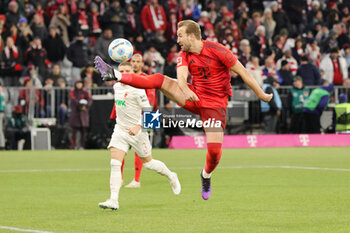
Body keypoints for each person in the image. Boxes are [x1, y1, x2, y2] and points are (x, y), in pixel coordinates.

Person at [94, 20, 272, 200]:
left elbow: (244, 73)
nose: (177, 39)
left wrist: (261, 95)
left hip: (215, 106)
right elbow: (181, 76)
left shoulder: (218, 50)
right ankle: (114, 74)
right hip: (193, 96)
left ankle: (206, 175)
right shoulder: (184, 54)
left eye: (180, 35)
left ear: (191, 36)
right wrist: (186, 89)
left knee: (215, 153)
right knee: (159, 79)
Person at [98, 62, 180, 210]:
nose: (123, 73)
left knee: (149, 164)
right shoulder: (116, 86)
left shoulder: (138, 89)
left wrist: (138, 126)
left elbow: (150, 113)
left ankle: (171, 175)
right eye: (121, 70)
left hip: (138, 132)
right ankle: (113, 200)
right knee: (115, 163)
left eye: (126, 71)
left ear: (132, 73)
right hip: (120, 130)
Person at [121, 54, 157, 188]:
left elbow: (151, 102)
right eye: (133, 61)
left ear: (142, 64)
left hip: (142, 118)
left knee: (139, 150)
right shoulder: (125, 80)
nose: (135, 64)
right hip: (126, 118)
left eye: (138, 62)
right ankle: (120, 178)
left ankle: (136, 180)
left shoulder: (146, 80)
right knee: (120, 148)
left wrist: (145, 119)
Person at [69, 81, 92, 149]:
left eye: (80, 83)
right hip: (75, 114)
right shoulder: (72, 92)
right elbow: (74, 100)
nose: (79, 85)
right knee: (74, 132)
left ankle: (82, 146)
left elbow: (90, 99)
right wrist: (81, 105)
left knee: (83, 132)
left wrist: (86, 106)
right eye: (77, 84)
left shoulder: (85, 92)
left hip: (83, 114)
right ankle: (74, 146)